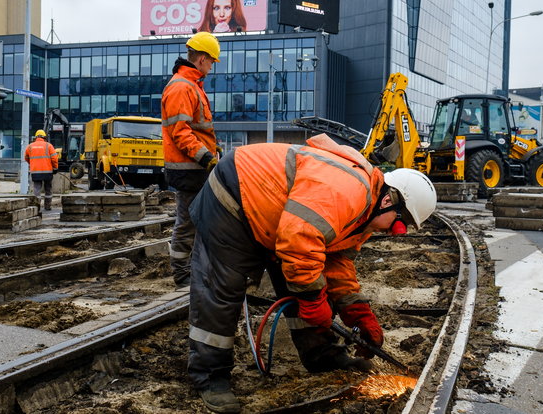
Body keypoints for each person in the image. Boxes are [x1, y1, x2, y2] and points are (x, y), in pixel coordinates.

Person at [186, 134, 437, 413]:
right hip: (234, 195)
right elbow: (299, 239)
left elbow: (335, 261)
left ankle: (323, 355)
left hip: (279, 218)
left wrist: (356, 310)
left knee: (307, 282)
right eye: (398, 226)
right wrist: (313, 300)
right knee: (223, 288)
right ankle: (210, 376)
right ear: (389, 202)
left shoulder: (365, 214)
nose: (392, 232)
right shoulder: (346, 191)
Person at [161, 31, 221, 287]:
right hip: (188, 169)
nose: (212, 67)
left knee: (198, 220)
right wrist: (206, 157)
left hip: (195, 168)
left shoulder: (191, 85)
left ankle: (194, 269)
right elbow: (180, 133)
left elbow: (198, 130)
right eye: (211, 62)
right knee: (187, 222)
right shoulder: (181, 87)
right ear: (202, 59)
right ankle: (182, 274)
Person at [24, 129, 59, 211]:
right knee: (48, 189)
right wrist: (55, 168)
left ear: (36, 137)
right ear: (44, 137)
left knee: (36, 190)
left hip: (35, 172)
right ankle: (47, 206)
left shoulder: (30, 146)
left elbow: (26, 158)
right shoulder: (49, 146)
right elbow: (54, 159)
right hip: (47, 172)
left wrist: (32, 163)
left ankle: (37, 207)